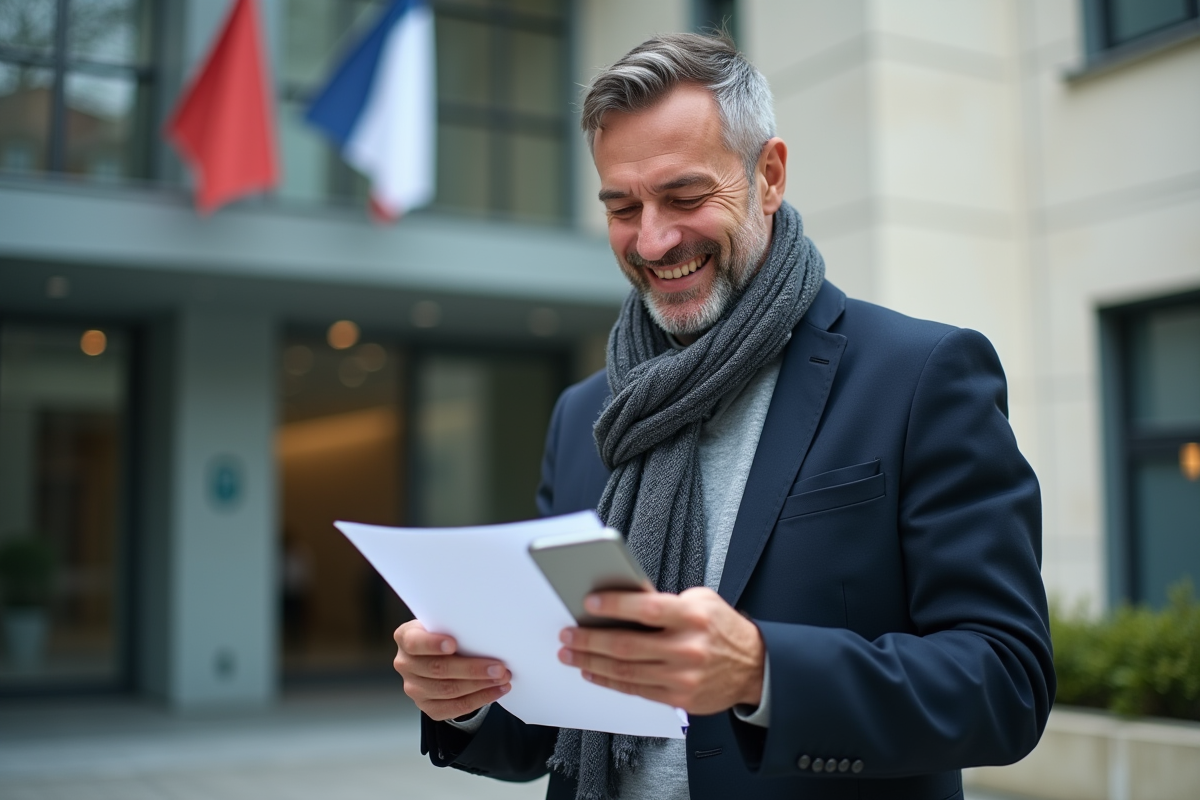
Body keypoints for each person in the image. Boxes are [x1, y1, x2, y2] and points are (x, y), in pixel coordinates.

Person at [392, 32, 1055, 800]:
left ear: (768, 176)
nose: (653, 239)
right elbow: (549, 731)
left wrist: (762, 670)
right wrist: (467, 698)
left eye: (684, 197)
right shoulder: (586, 415)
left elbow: (1006, 683)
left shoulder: (920, 376)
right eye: (622, 207)